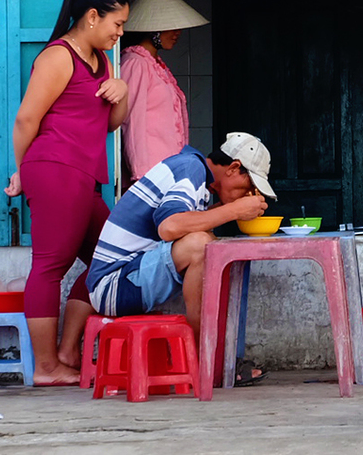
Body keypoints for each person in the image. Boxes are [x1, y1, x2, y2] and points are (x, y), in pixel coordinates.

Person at [4, 0, 131, 386]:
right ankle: (46, 367)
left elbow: (109, 122)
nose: (120, 32)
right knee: (50, 265)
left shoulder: (103, 61)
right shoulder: (58, 56)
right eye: (117, 24)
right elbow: (26, 119)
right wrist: (22, 171)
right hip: (55, 169)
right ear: (92, 17)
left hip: (85, 176)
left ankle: (65, 350)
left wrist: (121, 91)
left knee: (111, 260)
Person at [86, 132, 274, 357]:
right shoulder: (190, 169)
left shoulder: (194, 173)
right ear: (233, 168)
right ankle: (203, 358)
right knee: (199, 245)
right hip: (115, 286)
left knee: (209, 244)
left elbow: (185, 220)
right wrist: (234, 210)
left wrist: (232, 212)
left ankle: (216, 357)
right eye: (249, 184)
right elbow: (170, 227)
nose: (247, 193)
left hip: (126, 278)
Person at [119, 0, 209, 180]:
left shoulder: (155, 64)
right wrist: (140, 174)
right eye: (171, 26)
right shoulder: (136, 63)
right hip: (150, 174)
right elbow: (132, 121)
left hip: (167, 169)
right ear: (153, 29)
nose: (177, 32)